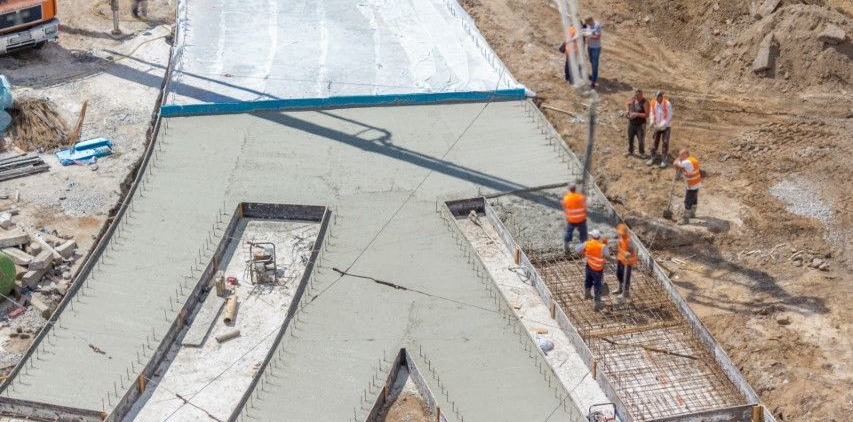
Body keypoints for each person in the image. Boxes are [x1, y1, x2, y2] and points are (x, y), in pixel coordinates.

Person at [575, 230, 609, 310]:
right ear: (599, 237)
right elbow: (607, 255)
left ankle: (587, 294)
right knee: (597, 284)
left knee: (588, 280)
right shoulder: (602, 246)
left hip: (589, 266)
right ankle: (597, 303)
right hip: (598, 268)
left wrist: (584, 252)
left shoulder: (587, 243)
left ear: (592, 237)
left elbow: (577, 249)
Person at [673, 149, 702, 224]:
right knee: (694, 199)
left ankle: (685, 219)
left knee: (687, 202)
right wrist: (681, 166)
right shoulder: (692, 159)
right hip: (696, 183)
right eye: (680, 155)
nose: (681, 157)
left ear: (687, 154)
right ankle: (692, 213)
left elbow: (675, 164)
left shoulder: (687, 162)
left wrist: (678, 159)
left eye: (682, 155)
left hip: (692, 185)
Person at [646, 90, 673, 168]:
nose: (658, 98)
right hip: (657, 125)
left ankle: (664, 158)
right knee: (655, 141)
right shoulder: (653, 102)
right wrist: (651, 122)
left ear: (662, 96)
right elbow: (651, 112)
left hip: (666, 126)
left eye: (660, 96)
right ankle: (653, 156)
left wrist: (660, 126)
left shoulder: (667, 104)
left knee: (665, 142)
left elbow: (668, 117)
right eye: (657, 97)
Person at [614, 224, 637, 304]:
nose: (619, 233)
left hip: (628, 261)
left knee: (626, 277)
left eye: (620, 232)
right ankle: (620, 288)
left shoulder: (629, 240)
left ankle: (625, 292)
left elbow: (633, 250)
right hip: (621, 259)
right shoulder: (620, 237)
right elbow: (620, 247)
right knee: (619, 274)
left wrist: (628, 253)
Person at [561, 183, 587, 252]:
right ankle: (583, 248)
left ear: (569, 190)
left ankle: (566, 247)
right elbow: (585, 203)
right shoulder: (580, 197)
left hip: (571, 220)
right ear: (575, 189)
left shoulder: (566, 198)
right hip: (581, 219)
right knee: (583, 234)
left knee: (568, 233)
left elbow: (564, 206)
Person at [625, 87, 649, 157]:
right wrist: (627, 111)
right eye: (636, 95)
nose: (636, 97)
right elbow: (626, 103)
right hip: (631, 123)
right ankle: (630, 151)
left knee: (641, 139)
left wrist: (636, 114)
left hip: (640, 124)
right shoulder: (633, 99)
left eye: (638, 95)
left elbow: (647, 115)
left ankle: (641, 152)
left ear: (642, 94)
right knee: (630, 137)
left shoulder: (645, 102)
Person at [583, 17, 602, 88]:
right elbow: (586, 29)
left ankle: (593, 80)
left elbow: (598, 37)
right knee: (591, 61)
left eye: (588, 23)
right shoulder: (588, 25)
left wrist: (589, 36)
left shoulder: (597, 26)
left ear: (591, 21)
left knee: (594, 64)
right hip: (590, 47)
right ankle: (594, 75)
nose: (587, 25)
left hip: (596, 48)